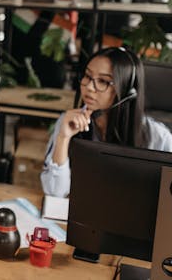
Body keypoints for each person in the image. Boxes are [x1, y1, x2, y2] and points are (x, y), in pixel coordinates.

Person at [41, 46, 172, 197]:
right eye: (88, 76)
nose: (89, 87)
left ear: (128, 92)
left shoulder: (158, 138)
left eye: (103, 81)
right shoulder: (69, 122)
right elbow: (54, 193)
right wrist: (63, 138)